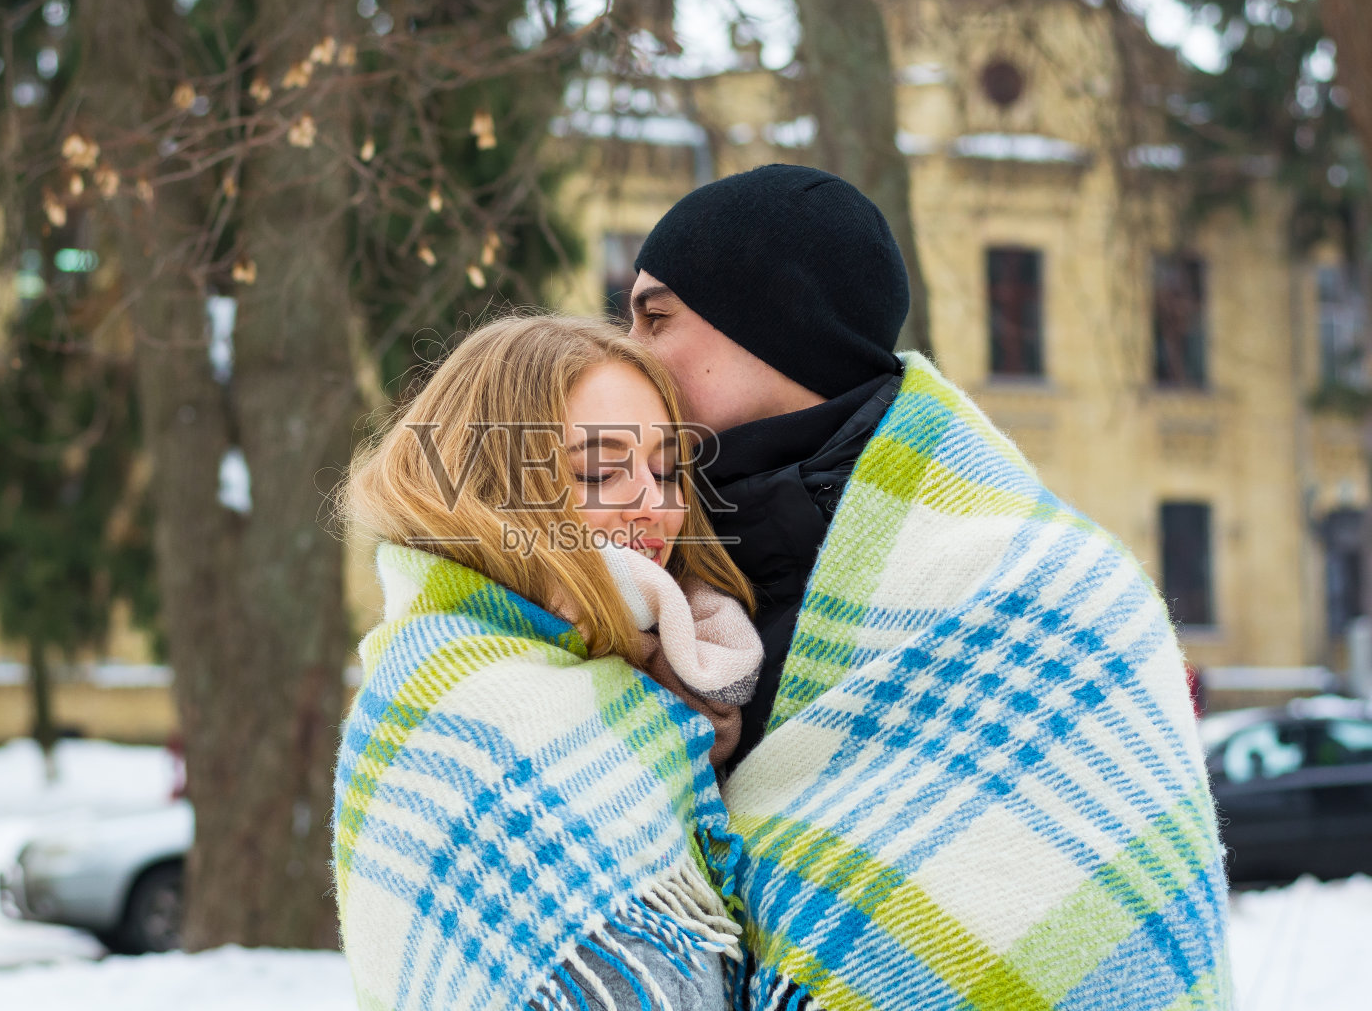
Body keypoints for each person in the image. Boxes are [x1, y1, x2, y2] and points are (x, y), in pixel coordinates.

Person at [628, 164, 1233, 1009]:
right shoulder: (638, 557)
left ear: (767, 321)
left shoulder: (1045, 582)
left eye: (655, 317)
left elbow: (1108, 927)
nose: (629, 352)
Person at [332, 315, 759, 1011]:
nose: (655, 506)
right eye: (599, 471)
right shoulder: (455, 699)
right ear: (495, 485)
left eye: (666, 470)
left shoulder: (642, 679)